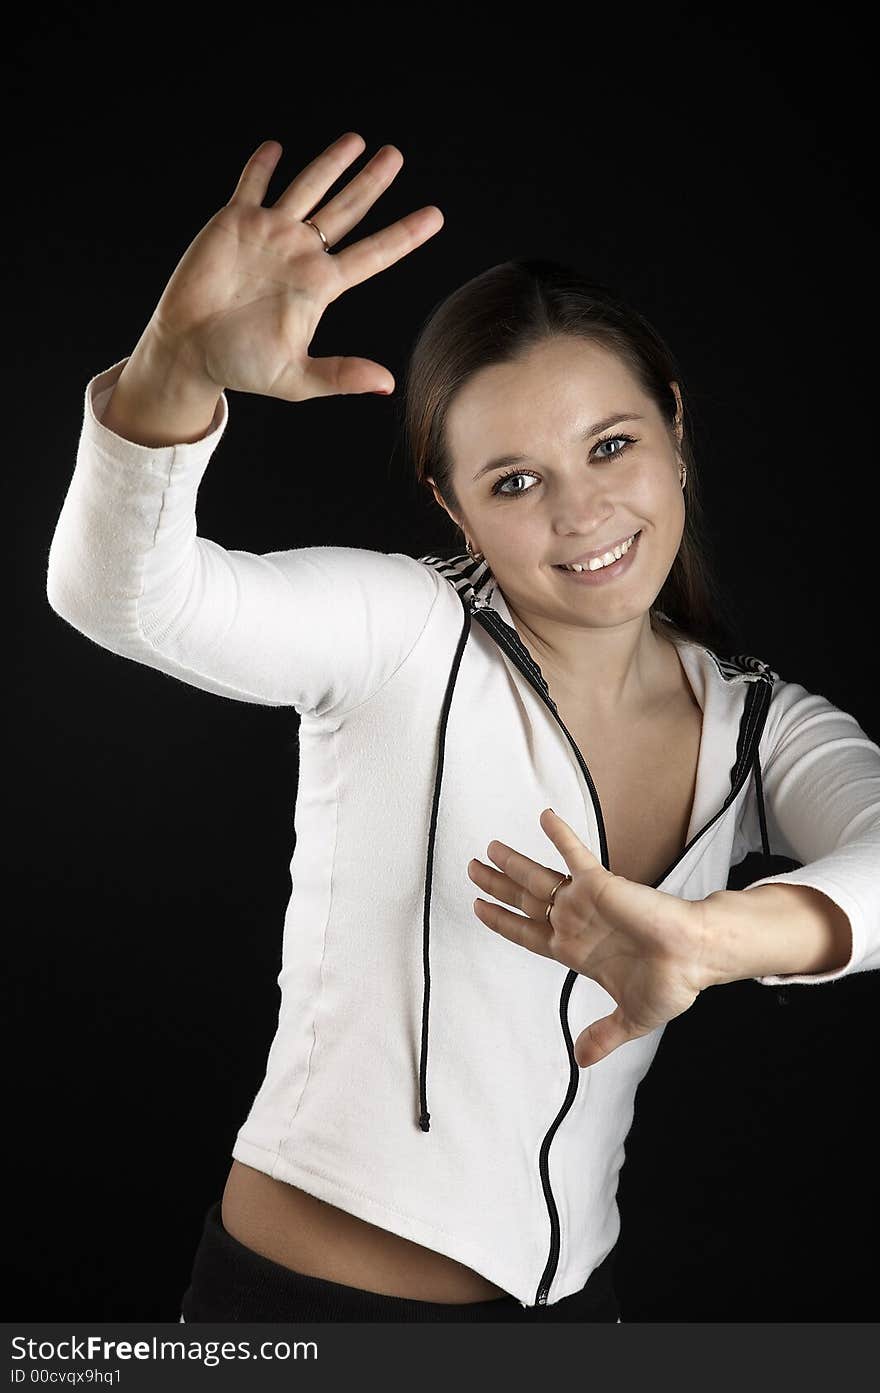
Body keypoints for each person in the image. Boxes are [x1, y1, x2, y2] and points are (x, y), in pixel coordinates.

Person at [46, 132, 880, 1324]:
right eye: (514, 481)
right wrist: (171, 371)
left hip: (573, 1315)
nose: (584, 512)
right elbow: (124, 597)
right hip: (304, 1312)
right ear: (453, 506)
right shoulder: (404, 629)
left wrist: (712, 939)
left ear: (675, 430)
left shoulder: (757, 722)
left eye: (610, 446)